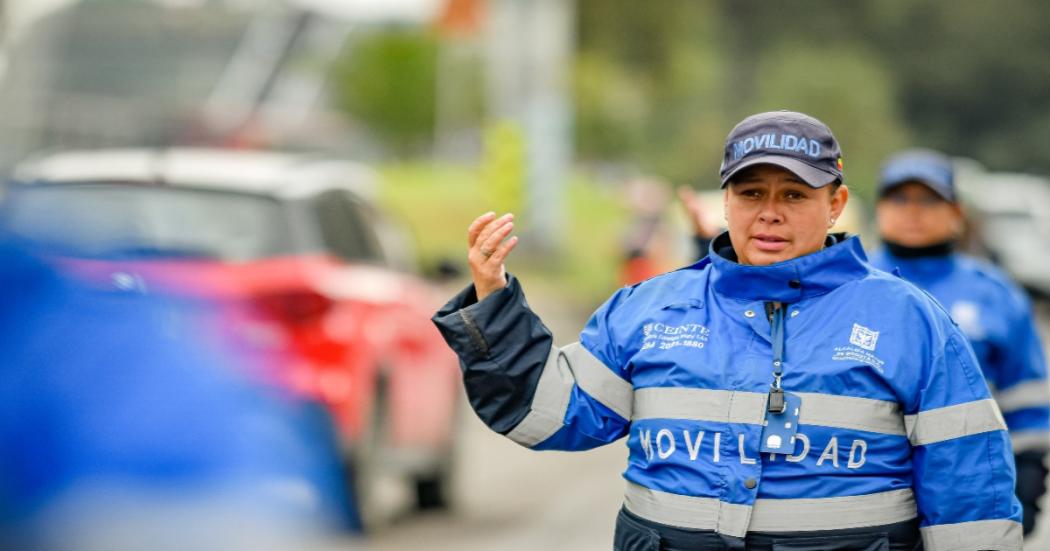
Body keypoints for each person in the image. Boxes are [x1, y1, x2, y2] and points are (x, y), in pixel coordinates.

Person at [432, 111, 1023, 550]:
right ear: (726, 200)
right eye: (750, 193)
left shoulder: (909, 319)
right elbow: (549, 415)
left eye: (794, 194)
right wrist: (494, 301)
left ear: (836, 203)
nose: (770, 211)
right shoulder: (647, 309)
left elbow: (968, 489)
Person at [870, 149, 1050, 536]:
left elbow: (1027, 393)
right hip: (871, 489)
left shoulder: (994, 292)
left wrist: (1030, 475)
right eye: (900, 198)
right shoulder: (849, 287)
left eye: (929, 199)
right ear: (879, 209)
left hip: (970, 490)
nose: (913, 211)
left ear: (956, 213)